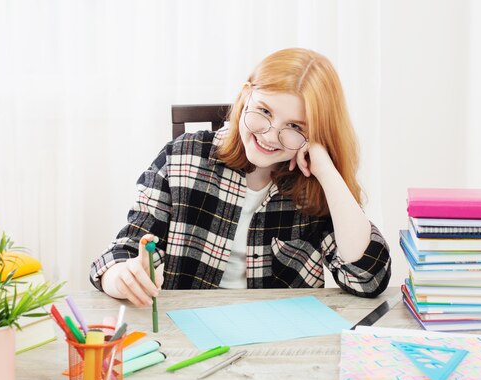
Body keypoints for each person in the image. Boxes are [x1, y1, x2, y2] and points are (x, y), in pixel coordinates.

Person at [90, 48, 391, 307]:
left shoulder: (314, 186)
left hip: (281, 348)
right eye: (264, 111)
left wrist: (326, 169)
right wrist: (120, 276)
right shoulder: (184, 156)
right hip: (184, 334)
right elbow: (123, 249)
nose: (270, 135)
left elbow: (367, 278)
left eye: (296, 127)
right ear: (246, 96)